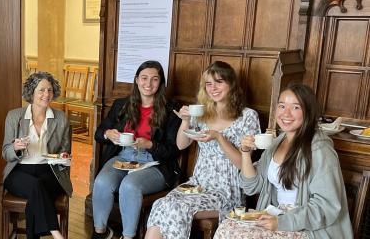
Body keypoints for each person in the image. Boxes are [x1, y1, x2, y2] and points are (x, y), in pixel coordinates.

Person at [214, 84, 353, 239]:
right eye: (282, 106)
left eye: (295, 107)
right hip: (276, 216)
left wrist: (282, 222)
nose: (286, 113)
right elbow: (251, 187)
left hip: (307, 227)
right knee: (227, 229)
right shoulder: (276, 143)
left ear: (308, 112)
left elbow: (326, 206)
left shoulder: (320, 150)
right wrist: (245, 154)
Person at [145, 61, 261, 239]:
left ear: (231, 84)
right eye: (208, 84)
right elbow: (181, 145)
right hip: (196, 186)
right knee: (161, 204)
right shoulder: (202, 113)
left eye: (219, 82)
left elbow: (241, 164)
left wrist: (219, 137)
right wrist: (185, 120)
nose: (213, 88)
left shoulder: (248, 116)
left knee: (175, 208)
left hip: (227, 191)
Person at [91, 60, 182, 239]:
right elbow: (99, 133)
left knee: (130, 186)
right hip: (124, 156)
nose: (148, 84)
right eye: (144, 78)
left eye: (154, 79)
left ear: (160, 83)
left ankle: (128, 236)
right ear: (136, 80)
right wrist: (108, 134)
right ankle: (100, 232)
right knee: (101, 183)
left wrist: (150, 145)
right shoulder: (121, 105)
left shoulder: (172, 109)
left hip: (154, 163)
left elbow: (173, 150)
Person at [2, 72, 72, 239]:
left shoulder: (61, 118)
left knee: (37, 188)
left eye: (49, 90)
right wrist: (16, 147)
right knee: (36, 186)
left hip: (50, 171)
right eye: (41, 90)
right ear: (31, 92)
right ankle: (56, 233)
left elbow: (65, 153)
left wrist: (63, 156)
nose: (46, 94)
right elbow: (6, 152)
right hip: (18, 171)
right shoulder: (14, 116)